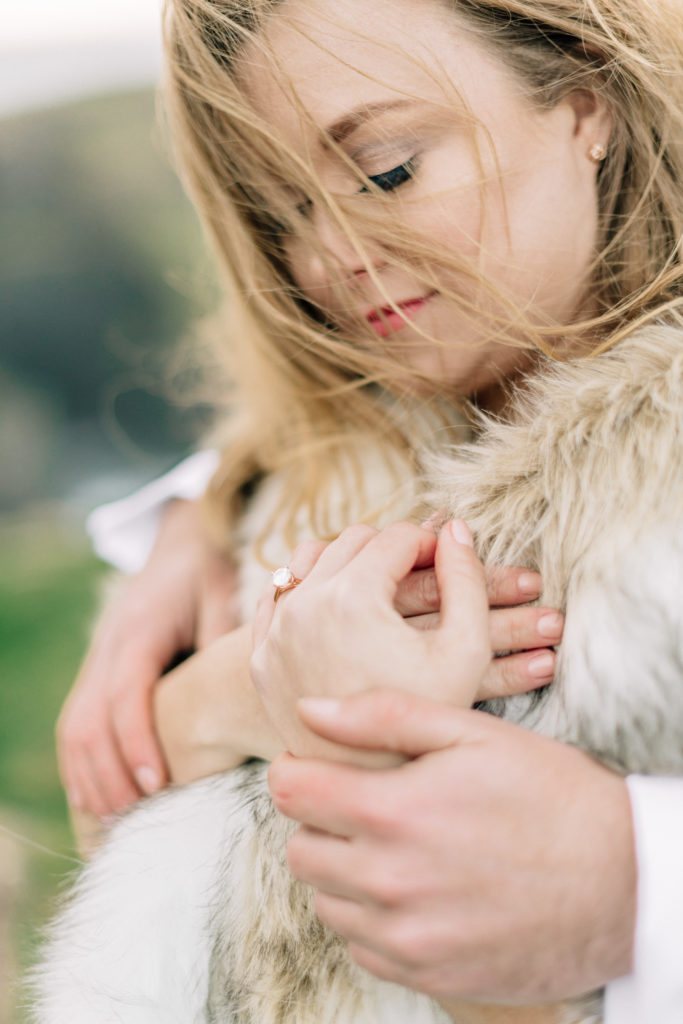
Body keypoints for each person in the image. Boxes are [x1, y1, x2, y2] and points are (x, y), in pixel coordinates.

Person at [54, 0, 683, 1020]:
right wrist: (225, 684)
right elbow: (119, 856)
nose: (329, 256)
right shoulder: (304, 469)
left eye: (387, 169)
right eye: (282, 213)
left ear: (583, 101)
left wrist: (641, 882)